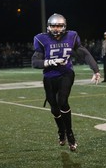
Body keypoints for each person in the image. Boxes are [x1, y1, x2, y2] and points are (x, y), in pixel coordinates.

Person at [31, 13, 101, 151]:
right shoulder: (40, 39)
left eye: (59, 25)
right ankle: (61, 130)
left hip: (66, 73)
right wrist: (51, 61)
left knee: (62, 101)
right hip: (49, 76)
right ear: (48, 26)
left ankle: (70, 134)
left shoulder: (72, 36)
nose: (56, 29)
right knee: (54, 108)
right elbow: (34, 62)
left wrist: (96, 70)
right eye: (53, 26)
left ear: (64, 26)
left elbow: (84, 53)